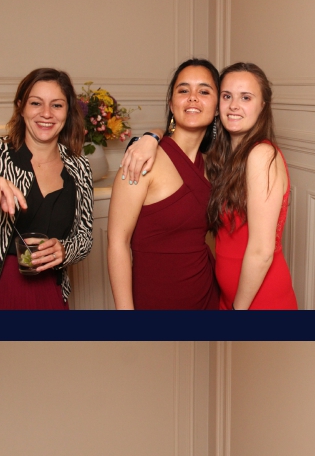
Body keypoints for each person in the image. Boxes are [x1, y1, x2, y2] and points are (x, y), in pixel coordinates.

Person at [0, 68, 94, 310]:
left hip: (50, 292)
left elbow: (84, 238)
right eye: (36, 103)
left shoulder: (79, 167)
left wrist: (65, 250)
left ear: (67, 112)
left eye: (57, 105)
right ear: (21, 107)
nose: (46, 113)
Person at [107, 59, 220, 309]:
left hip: (206, 295)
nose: (193, 97)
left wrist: (154, 133)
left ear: (217, 107)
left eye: (204, 91)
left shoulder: (212, 167)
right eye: (183, 90)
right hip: (155, 299)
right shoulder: (141, 160)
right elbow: (117, 243)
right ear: (171, 103)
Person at [206, 62, 298, 310]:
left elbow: (262, 251)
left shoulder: (261, 155)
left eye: (245, 97)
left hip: (259, 301)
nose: (234, 105)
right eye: (227, 96)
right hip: (232, 299)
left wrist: (238, 309)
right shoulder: (227, 156)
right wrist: (151, 136)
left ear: (263, 106)